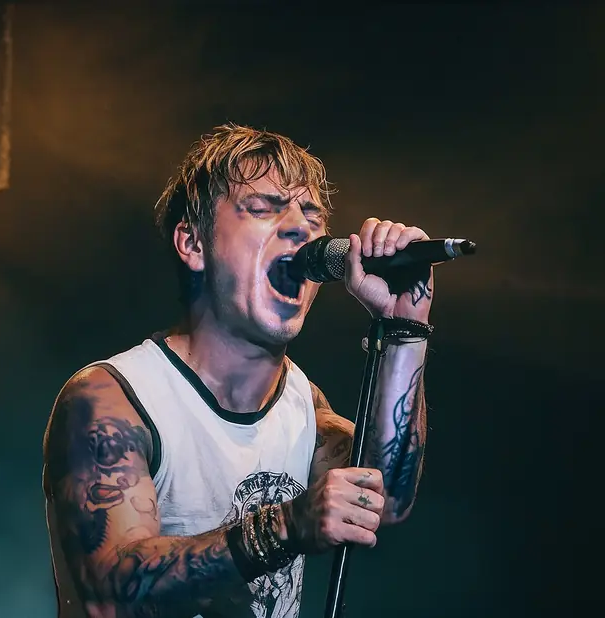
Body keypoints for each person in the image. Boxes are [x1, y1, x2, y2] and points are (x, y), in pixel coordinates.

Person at [42, 124, 435, 618]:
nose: (300, 227)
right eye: (264, 207)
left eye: (311, 214)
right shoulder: (112, 398)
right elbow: (109, 588)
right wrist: (287, 526)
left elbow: (388, 498)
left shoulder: (302, 405)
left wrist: (404, 326)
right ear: (193, 243)